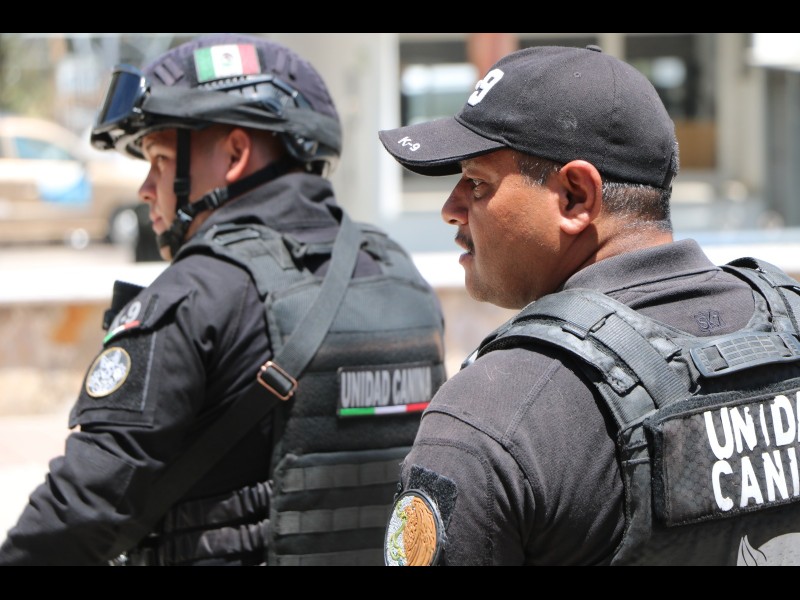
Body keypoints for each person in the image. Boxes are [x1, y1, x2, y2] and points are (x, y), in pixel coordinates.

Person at [0, 33, 447, 566]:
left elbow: (82, 508)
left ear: (235, 154)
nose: (146, 188)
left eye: (160, 159)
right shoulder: (399, 272)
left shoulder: (196, 293)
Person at [377, 44, 800, 566]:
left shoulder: (494, 411)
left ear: (576, 196)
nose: (451, 208)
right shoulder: (790, 327)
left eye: (478, 182)